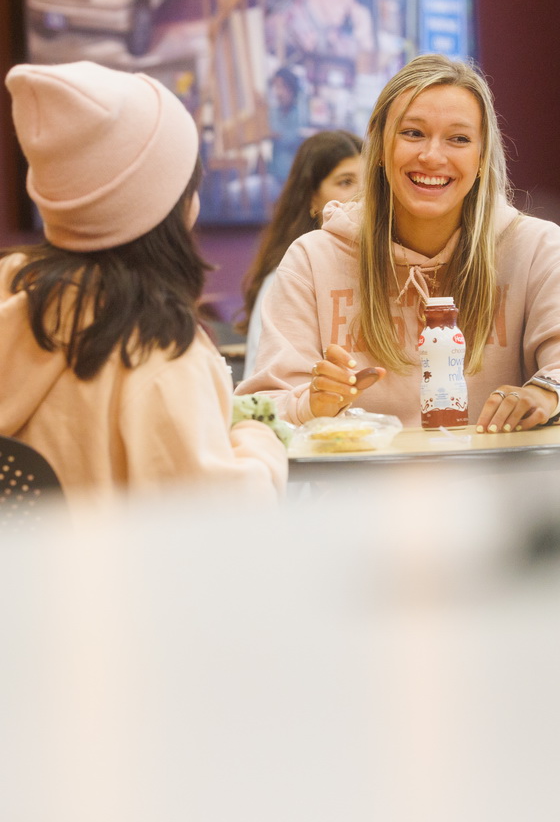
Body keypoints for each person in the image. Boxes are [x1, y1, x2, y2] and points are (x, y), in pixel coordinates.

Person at [0, 60, 287, 508]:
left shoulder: (12, 292)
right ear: (170, 207)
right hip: (119, 579)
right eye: (191, 183)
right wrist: (257, 440)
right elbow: (223, 529)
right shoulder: (159, 352)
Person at [236, 53, 560, 433]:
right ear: (378, 145)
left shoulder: (536, 248)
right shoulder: (311, 259)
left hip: (502, 490)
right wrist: (311, 404)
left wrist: (546, 392)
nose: (432, 156)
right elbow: (259, 411)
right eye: (413, 133)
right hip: (364, 492)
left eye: (458, 138)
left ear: (482, 155)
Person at [237, 129, 363, 379]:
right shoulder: (291, 275)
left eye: (373, 181)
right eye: (345, 182)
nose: (363, 193)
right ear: (312, 198)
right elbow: (267, 387)